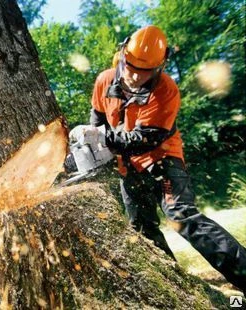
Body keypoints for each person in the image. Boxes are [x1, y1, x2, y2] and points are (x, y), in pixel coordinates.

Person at [89, 25, 246, 291]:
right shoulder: (104, 80)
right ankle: (177, 289)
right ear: (123, 55)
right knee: (142, 230)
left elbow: (144, 140)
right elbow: (97, 118)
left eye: (143, 71)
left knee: (183, 218)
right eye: (130, 67)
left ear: (158, 67)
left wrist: (104, 139)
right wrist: (91, 140)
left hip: (163, 161)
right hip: (127, 168)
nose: (134, 76)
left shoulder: (166, 89)